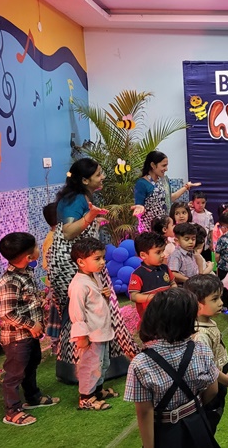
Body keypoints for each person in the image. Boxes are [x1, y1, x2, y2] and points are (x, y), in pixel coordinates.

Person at [48, 158, 136, 383]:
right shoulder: (75, 198)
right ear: (85, 180)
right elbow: (68, 232)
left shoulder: (81, 196)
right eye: (98, 174)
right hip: (72, 265)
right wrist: (91, 217)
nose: (103, 177)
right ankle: (83, 371)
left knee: (100, 308)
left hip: (84, 261)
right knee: (83, 313)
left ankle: (101, 366)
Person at [124, 288, 220, 448]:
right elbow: (213, 390)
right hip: (197, 424)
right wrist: (193, 407)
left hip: (165, 431)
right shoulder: (201, 349)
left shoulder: (140, 363)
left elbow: (145, 412)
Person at [0, 232, 59, 426]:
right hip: (17, 338)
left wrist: (40, 301)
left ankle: (32, 397)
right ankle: (12, 411)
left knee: (31, 364)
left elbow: (26, 301)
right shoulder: (10, 282)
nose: (40, 249)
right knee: (15, 373)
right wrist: (32, 324)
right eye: (37, 247)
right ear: (29, 256)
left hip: (29, 335)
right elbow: (7, 313)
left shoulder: (26, 272)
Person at [186, 275, 228, 431]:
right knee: (208, 425)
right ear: (197, 304)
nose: (221, 302)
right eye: (215, 299)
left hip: (218, 380)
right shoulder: (200, 336)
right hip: (211, 388)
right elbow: (208, 368)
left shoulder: (207, 321)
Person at [68, 237, 119, 411]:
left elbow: (94, 304)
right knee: (90, 365)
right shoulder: (78, 285)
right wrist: (81, 336)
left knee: (102, 363)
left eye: (103, 258)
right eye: (97, 259)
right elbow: (76, 313)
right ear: (81, 262)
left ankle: (97, 391)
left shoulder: (93, 276)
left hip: (100, 331)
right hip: (90, 334)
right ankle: (86, 398)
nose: (102, 262)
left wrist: (104, 295)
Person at [132, 150, 200, 230]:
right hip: (148, 228)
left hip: (165, 227)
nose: (166, 169)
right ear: (153, 165)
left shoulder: (164, 181)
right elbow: (139, 205)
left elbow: (170, 198)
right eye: (163, 166)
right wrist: (140, 208)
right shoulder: (142, 183)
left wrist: (186, 187)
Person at [129, 232, 176, 319]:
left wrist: (173, 293)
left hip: (169, 311)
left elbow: (173, 283)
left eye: (163, 251)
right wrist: (154, 297)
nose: (163, 255)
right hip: (150, 317)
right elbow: (134, 296)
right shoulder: (138, 274)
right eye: (158, 252)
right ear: (143, 255)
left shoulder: (165, 268)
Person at [41, 202, 61, 354]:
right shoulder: (53, 239)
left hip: (57, 282)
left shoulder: (54, 236)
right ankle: (56, 345)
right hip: (57, 283)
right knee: (58, 314)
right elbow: (50, 265)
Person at [191, 190, 215, 260]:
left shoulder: (209, 215)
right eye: (198, 203)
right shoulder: (190, 214)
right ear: (193, 203)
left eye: (203, 203)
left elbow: (211, 230)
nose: (200, 205)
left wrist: (212, 242)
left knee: (206, 261)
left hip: (205, 244)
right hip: (193, 242)